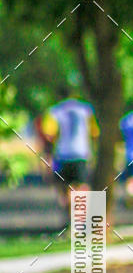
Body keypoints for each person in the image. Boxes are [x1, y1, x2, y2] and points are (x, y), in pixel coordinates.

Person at [43, 90, 99, 227]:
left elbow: (48, 135)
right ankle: (79, 221)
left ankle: (70, 218)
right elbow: (95, 132)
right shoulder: (86, 110)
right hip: (81, 153)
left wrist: (47, 157)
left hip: (62, 155)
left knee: (64, 188)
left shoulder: (55, 111)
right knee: (81, 186)